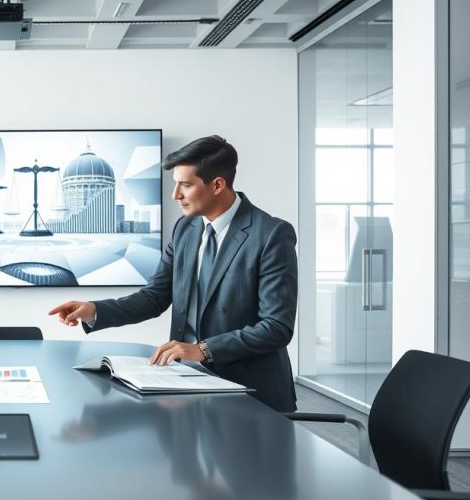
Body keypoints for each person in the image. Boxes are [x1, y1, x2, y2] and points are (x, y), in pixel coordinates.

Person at [49, 135, 298, 412]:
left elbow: (277, 327)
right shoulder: (185, 229)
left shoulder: (271, 234)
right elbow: (155, 297)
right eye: (175, 184)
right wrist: (94, 309)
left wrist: (203, 349)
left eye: (186, 185)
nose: (175, 194)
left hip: (250, 392)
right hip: (187, 383)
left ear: (217, 185)